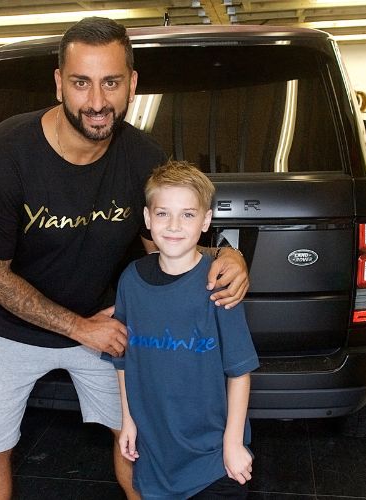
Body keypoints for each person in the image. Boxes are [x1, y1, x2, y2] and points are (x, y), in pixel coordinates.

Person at [0, 17, 249, 500]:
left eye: (110, 82)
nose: (96, 101)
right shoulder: (4, 153)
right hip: (3, 325)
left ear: (131, 84)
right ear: (58, 83)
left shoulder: (142, 157)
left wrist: (228, 255)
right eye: (81, 82)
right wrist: (76, 327)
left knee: (136, 440)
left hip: (102, 321)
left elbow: (169, 247)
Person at [110, 160, 259, 499]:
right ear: (148, 219)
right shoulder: (131, 280)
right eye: (163, 214)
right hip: (156, 453)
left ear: (205, 221)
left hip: (212, 456)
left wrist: (233, 444)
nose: (174, 225)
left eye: (188, 215)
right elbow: (121, 360)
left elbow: (239, 373)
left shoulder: (218, 285)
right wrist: (128, 420)